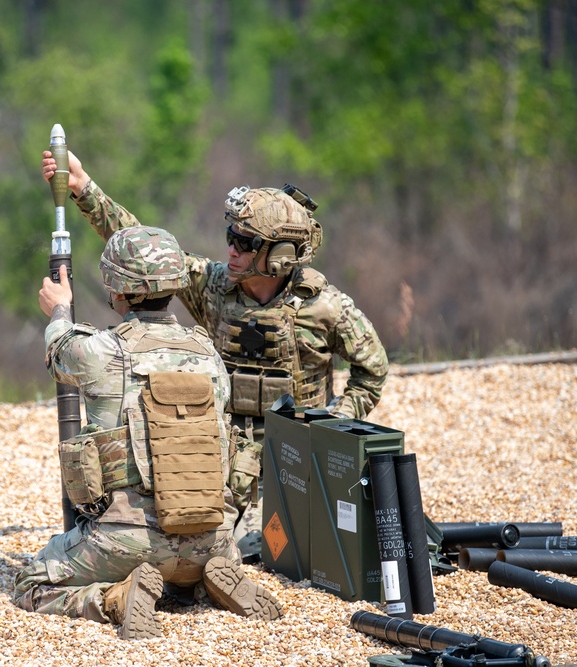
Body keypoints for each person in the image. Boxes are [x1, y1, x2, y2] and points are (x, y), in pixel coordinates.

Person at [40, 150, 390, 559]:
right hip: (214, 462)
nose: (232, 249)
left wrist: (333, 424)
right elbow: (149, 255)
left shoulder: (325, 307)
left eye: (245, 242)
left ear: (279, 254)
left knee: (264, 552)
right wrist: (84, 188)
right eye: (230, 236)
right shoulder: (214, 285)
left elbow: (372, 370)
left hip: (292, 466)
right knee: (188, 544)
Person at [11, 226, 283, 640]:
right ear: (174, 285)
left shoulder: (103, 351)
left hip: (129, 540)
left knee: (31, 584)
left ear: (116, 289)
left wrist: (59, 308)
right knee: (180, 579)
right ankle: (203, 585)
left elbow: (58, 350)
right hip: (213, 537)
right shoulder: (207, 353)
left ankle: (115, 598)